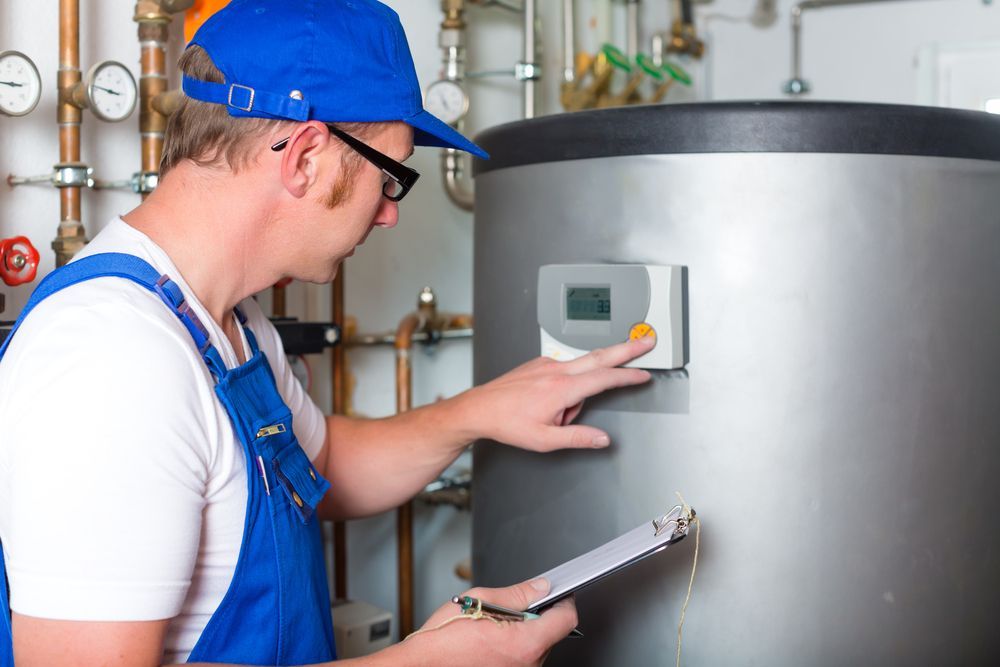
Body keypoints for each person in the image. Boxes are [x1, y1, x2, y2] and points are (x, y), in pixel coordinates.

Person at [0, 1, 655, 665]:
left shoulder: (230, 319)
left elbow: (320, 465)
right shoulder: (113, 360)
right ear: (306, 157)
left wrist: (479, 411)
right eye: (390, 177)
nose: (389, 214)